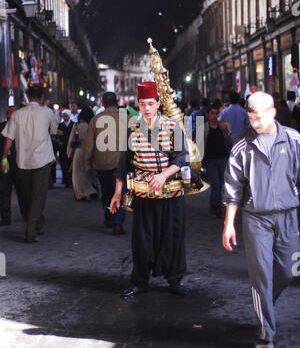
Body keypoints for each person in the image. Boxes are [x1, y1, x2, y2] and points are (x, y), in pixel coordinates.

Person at [222, 92, 300, 348]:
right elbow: (232, 188)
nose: (253, 123)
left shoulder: (293, 139)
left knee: (290, 270)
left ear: (272, 112)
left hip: (289, 216)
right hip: (256, 218)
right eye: (250, 117)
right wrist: (229, 224)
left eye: (258, 117)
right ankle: (265, 331)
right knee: (261, 276)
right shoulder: (242, 146)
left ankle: (264, 302)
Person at [110, 82, 189, 299]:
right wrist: (118, 193)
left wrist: (163, 175)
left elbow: (182, 158)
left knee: (172, 235)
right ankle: (140, 282)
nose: (146, 108)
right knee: (142, 238)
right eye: (143, 104)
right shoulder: (132, 129)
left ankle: (175, 279)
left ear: (158, 104)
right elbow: (123, 165)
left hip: (170, 193)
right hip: (144, 193)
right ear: (138, 104)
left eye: (150, 104)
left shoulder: (172, 127)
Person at [1, 86, 58, 243]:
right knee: (38, 196)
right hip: (42, 160)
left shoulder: (17, 114)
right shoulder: (47, 112)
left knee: (26, 196)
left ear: (27, 96)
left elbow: (8, 138)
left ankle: (36, 224)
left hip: (22, 161)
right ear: (41, 97)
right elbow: (54, 131)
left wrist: (4, 158)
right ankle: (31, 230)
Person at [83, 92, 126, 234]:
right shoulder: (127, 119)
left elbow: (88, 144)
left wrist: (86, 162)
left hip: (102, 163)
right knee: (120, 192)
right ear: (117, 102)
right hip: (121, 162)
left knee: (107, 192)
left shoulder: (96, 120)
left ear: (103, 103)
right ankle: (117, 222)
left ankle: (109, 217)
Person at [203, 104, 232, 219]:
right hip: (210, 160)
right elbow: (199, 146)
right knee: (215, 183)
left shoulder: (223, 126)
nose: (214, 116)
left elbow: (230, 141)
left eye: (216, 113)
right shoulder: (203, 128)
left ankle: (214, 203)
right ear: (207, 115)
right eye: (212, 113)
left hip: (223, 159)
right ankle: (217, 206)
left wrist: (226, 130)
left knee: (221, 184)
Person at [0, 106, 26, 225]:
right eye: (8, 113)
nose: (9, 115)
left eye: (12, 113)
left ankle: (26, 215)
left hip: (19, 163)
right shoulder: (1, 127)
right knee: (4, 190)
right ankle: (5, 217)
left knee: (22, 191)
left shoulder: (22, 128)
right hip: (5, 164)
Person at [67, 107, 97, 201]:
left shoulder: (77, 125)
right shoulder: (92, 125)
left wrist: (69, 152)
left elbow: (71, 140)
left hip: (79, 151)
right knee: (88, 173)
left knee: (77, 175)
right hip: (90, 151)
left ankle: (80, 194)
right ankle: (90, 191)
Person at [57, 110, 74, 187]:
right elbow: (57, 135)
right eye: (63, 116)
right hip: (62, 147)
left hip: (70, 147)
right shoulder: (60, 125)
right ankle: (65, 180)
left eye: (66, 115)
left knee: (70, 163)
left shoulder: (73, 124)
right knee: (63, 163)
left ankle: (70, 180)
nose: (65, 117)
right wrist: (58, 141)